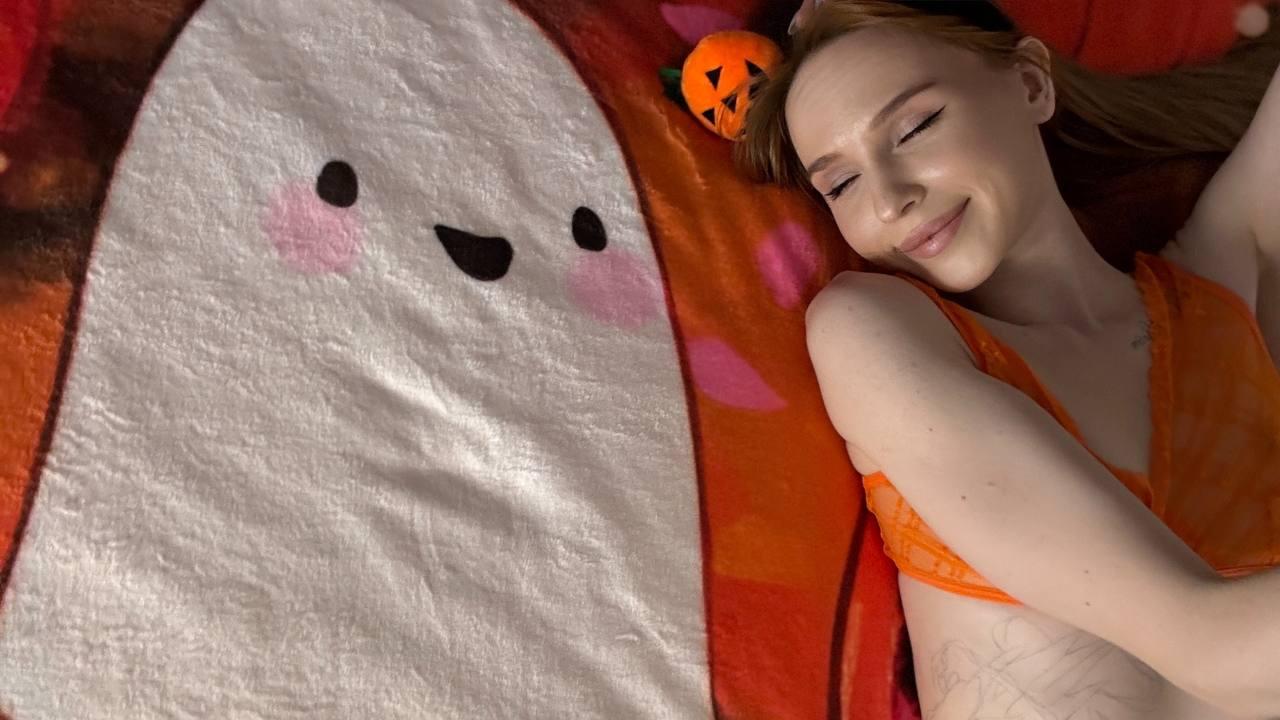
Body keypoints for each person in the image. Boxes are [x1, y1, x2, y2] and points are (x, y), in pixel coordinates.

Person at [738, 2, 1280, 718]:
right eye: (840, 185)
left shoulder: (1219, 286)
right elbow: (1206, 642)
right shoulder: (871, 330)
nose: (891, 200)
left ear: (1030, 83)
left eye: (915, 127)